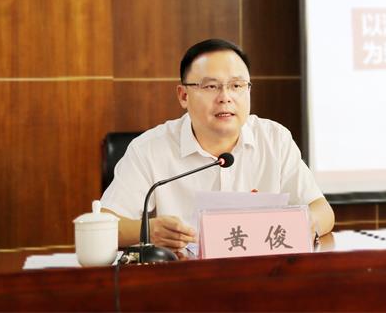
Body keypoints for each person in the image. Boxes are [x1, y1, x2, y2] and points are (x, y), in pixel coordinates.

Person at [101, 39, 334, 252]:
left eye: (237, 86)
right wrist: (148, 231)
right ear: (183, 96)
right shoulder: (149, 149)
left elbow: (323, 211)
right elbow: (105, 227)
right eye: (211, 87)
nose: (225, 97)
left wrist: (307, 223)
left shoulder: (275, 139)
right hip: (183, 277)